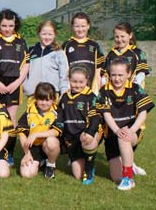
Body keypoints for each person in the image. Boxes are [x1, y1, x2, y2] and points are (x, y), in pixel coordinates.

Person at [96, 59, 154, 190]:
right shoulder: (104, 91)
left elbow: (143, 113)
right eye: (113, 75)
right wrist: (116, 130)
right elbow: (106, 114)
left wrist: (132, 130)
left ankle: (128, 178)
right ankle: (128, 164)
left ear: (128, 74)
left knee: (124, 137)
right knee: (116, 177)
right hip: (112, 133)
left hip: (131, 133)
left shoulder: (135, 89)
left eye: (120, 75)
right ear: (109, 74)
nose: (116, 78)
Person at [103, 22, 150, 176]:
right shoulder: (110, 54)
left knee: (130, 129)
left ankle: (131, 164)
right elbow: (104, 76)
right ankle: (123, 161)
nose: (119, 39)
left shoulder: (137, 52)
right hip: (113, 97)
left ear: (130, 35)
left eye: (122, 36)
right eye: (116, 36)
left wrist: (132, 91)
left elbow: (142, 74)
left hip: (130, 98)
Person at [0, 9, 29, 167]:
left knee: (11, 120)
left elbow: (26, 65)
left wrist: (16, 83)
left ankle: (10, 153)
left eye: (10, 25)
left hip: (14, 84)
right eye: (4, 25)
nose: (7, 28)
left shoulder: (21, 42)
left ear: (15, 25)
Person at [55, 67, 101, 184]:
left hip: (85, 134)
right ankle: (85, 161)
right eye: (74, 81)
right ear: (69, 80)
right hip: (70, 138)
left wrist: (90, 133)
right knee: (77, 175)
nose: (78, 85)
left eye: (81, 82)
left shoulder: (91, 97)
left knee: (88, 140)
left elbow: (95, 118)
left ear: (87, 81)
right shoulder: (64, 97)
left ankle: (89, 169)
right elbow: (59, 115)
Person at [17, 82, 61, 179]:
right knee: (26, 174)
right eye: (41, 99)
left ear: (53, 100)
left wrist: (36, 134)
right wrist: (27, 153)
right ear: (36, 98)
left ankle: (50, 165)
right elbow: (22, 135)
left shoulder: (57, 112)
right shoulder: (28, 112)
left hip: (48, 145)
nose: (44, 103)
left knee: (51, 141)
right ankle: (41, 163)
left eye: (47, 100)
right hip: (34, 147)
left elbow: (55, 131)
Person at [23, 20, 69, 97]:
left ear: (55, 35)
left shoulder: (59, 52)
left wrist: (64, 92)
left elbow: (64, 74)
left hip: (53, 94)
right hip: (33, 94)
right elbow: (24, 70)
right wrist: (26, 87)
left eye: (50, 34)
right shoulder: (31, 51)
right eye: (44, 34)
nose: (47, 37)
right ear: (38, 34)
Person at [62, 12, 104, 94]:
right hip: (71, 89)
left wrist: (97, 90)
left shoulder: (94, 45)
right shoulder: (66, 45)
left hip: (90, 90)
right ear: (72, 27)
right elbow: (63, 69)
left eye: (83, 26)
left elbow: (98, 71)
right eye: (77, 26)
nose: (80, 29)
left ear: (88, 26)